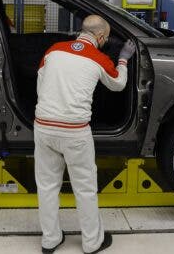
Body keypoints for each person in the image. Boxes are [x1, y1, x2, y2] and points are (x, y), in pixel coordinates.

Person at [33, 15, 136, 254]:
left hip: (44, 126)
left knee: (47, 186)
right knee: (84, 188)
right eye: (106, 38)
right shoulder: (99, 58)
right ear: (100, 36)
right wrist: (123, 59)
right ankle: (91, 243)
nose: (105, 41)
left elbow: (41, 85)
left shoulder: (54, 50)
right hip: (75, 131)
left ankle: (50, 240)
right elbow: (118, 84)